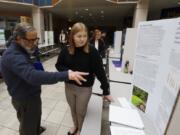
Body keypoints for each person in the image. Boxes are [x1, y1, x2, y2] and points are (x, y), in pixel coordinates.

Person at [0, 22, 89, 135]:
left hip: (32, 93)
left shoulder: (24, 48)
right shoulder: (12, 55)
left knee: (35, 115)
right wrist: (66, 75)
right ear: (18, 38)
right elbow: (32, 75)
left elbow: (34, 62)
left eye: (35, 39)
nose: (33, 43)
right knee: (27, 125)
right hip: (25, 98)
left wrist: (32, 50)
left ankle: (36, 128)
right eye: (30, 40)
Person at [55, 22, 113, 135]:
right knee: (72, 108)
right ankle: (75, 125)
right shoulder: (66, 50)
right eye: (79, 36)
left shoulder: (92, 52)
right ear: (72, 37)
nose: (82, 39)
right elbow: (59, 65)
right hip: (69, 87)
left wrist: (106, 90)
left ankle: (81, 129)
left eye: (84, 36)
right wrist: (68, 72)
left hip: (84, 89)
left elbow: (100, 72)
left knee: (80, 111)